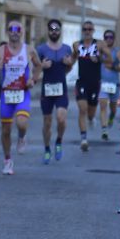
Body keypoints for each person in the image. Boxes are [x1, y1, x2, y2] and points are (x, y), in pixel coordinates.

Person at [0, 21, 41, 174]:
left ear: (22, 32)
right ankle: (7, 161)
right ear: (7, 32)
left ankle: (21, 137)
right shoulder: (0, 51)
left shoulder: (29, 50)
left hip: (22, 93)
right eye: (11, 29)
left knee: (22, 122)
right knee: (5, 131)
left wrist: (33, 79)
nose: (14, 32)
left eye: (17, 29)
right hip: (6, 94)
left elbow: (38, 66)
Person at [35, 19, 73, 163]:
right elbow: (35, 69)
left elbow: (68, 69)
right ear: (48, 31)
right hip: (47, 90)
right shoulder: (41, 49)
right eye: (51, 29)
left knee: (61, 119)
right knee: (47, 122)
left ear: (60, 31)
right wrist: (42, 66)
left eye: (57, 29)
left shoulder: (66, 49)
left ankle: (58, 141)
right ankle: (46, 149)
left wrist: (68, 65)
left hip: (61, 89)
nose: (54, 32)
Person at [73, 20, 102, 152]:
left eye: (90, 29)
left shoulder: (99, 45)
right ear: (82, 31)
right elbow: (72, 59)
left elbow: (110, 60)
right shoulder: (76, 45)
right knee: (82, 109)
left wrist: (99, 58)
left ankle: (91, 119)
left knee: (90, 112)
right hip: (82, 82)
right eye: (85, 29)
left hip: (95, 83)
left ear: (93, 31)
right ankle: (83, 139)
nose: (87, 32)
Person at [98, 29, 120, 140]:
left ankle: (111, 118)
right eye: (106, 37)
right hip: (103, 83)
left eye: (111, 37)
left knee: (113, 109)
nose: (108, 39)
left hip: (115, 84)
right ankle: (104, 129)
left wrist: (114, 67)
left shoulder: (117, 52)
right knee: (103, 105)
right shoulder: (100, 51)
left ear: (114, 39)